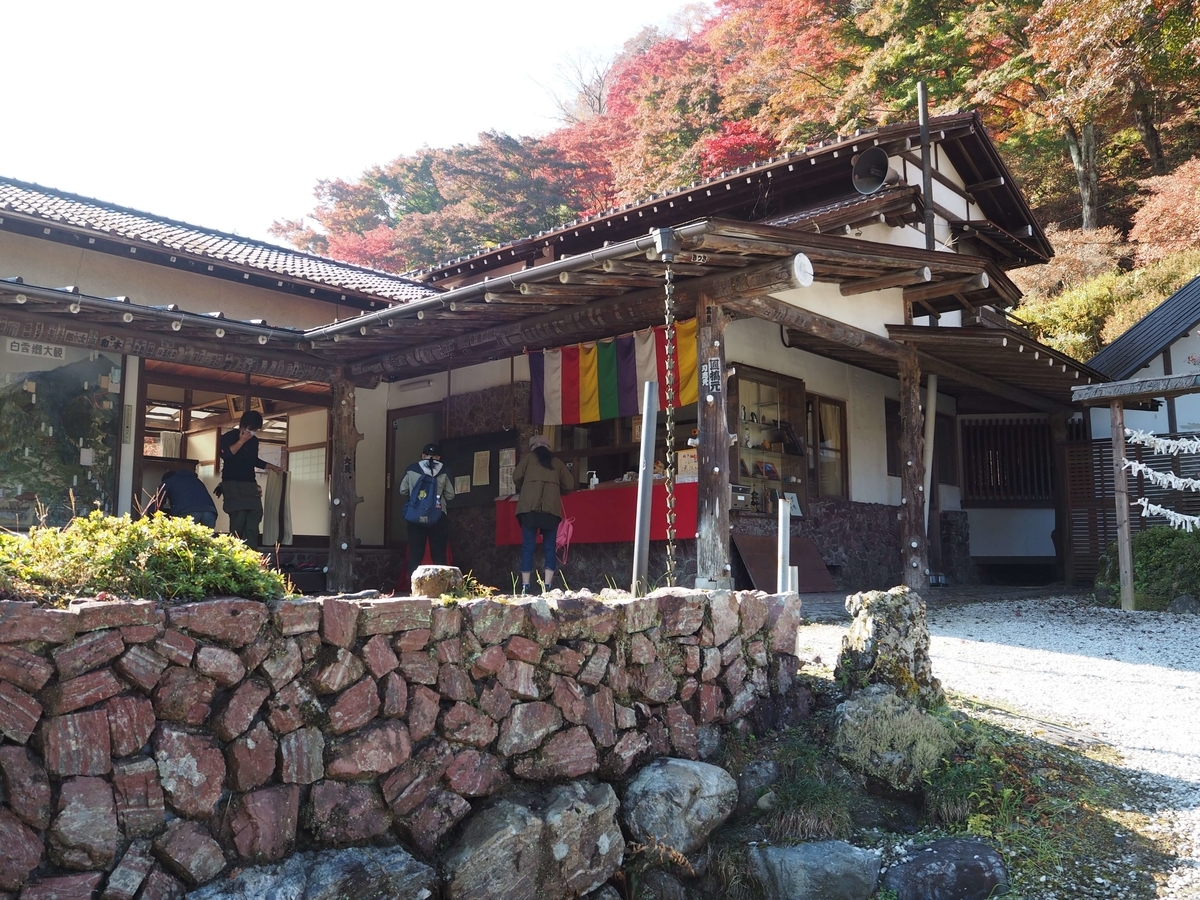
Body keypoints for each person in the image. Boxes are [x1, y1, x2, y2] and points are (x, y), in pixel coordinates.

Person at [512, 433, 574, 594]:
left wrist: (526, 487)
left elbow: (516, 477)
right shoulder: (557, 463)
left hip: (529, 509)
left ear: (533, 447)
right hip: (550, 511)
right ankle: (547, 587)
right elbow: (569, 485)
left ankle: (526, 586)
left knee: (528, 547)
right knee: (550, 548)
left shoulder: (527, 459)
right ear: (548, 447)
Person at [218, 410, 281, 547]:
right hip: (232, 482)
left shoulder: (254, 441)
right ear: (243, 426)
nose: (252, 432)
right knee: (239, 516)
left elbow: (253, 460)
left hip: (249, 482)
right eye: (251, 429)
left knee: (256, 512)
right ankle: (235, 550)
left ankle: (251, 550)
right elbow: (226, 455)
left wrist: (271, 467)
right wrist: (241, 441)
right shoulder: (228, 437)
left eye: (255, 430)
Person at [398, 442, 455, 579]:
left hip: (415, 515)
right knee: (439, 553)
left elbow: (402, 490)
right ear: (438, 457)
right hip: (438, 515)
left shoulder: (411, 469)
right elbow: (450, 495)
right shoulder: (445, 470)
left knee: (416, 552)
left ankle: (413, 586)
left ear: (423, 455)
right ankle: (441, 587)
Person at [146, 466, 218, 528]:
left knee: (183, 541)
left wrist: (150, 520)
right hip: (210, 512)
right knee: (206, 542)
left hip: (188, 512)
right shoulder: (196, 480)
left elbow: (156, 505)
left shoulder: (169, 481)